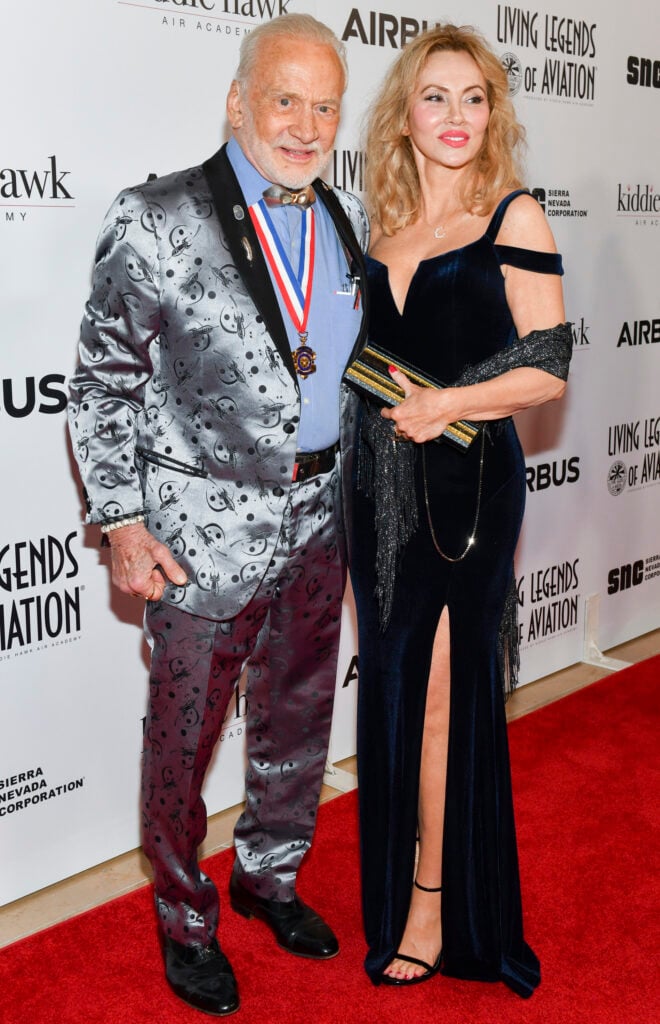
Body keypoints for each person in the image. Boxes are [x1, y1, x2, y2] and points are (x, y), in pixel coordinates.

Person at [67, 14, 368, 1017]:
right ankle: (185, 918)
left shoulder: (343, 218)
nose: (306, 126)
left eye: (325, 107)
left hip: (321, 514)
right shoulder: (156, 215)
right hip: (196, 535)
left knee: (300, 712)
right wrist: (121, 521)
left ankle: (268, 875)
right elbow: (102, 382)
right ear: (238, 102)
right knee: (182, 740)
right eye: (285, 100)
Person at [349, 24, 571, 997]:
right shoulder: (383, 227)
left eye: (473, 97)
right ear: (405, 115)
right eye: (435, 96)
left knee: (443, 696)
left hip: (469, 489)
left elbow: (549, 366)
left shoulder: (514, 216)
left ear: (493, 113)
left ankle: (436, 903)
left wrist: (450, 405)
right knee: (395, 691)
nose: (455, 115)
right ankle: (402, 875)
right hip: (379, 494)